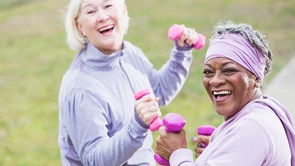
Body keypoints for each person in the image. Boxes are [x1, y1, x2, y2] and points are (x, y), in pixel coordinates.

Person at [58, 0, 200, 165]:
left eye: (108, 5)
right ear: (79, 26)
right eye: (91, 11)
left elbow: (159, 92)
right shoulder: (80, 88)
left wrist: (181, 52)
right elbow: (94, 159)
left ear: (123, 11)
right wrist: (137, 126)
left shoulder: (129, 52)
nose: (102, 16)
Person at [154, 20, 295, 165]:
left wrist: (177, 154)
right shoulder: (262, 113)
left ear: (256, 78)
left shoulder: (250, 128)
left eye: (229, 70)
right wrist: (219, 149)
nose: (215, 81)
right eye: (208, 72)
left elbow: (247, 138)